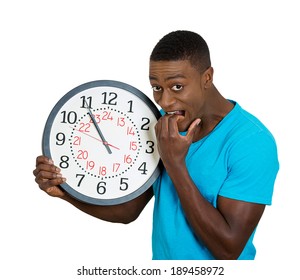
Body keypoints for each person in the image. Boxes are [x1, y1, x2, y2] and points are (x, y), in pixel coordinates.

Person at [33, 30, 279, 260]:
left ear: (207, 77)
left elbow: (229, 250)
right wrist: (66, 193)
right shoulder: (160, 123)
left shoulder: (252, 142)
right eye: (157, 88)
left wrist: (174, 163)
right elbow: (129, 210)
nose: (166, 100)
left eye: (177, 86)